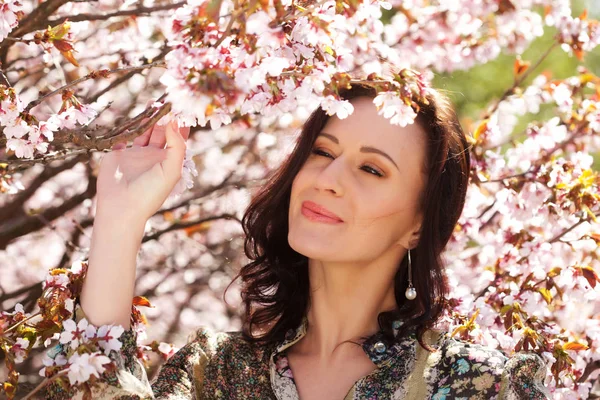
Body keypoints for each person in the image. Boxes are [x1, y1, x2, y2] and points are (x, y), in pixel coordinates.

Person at [44, 82, 551, 399]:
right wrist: (118, 219)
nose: (327, 178)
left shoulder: (483, 385)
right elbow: (92, 389)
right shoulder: (217, 373)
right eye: (322, 151)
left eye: (372, 169)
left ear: (419, 225)